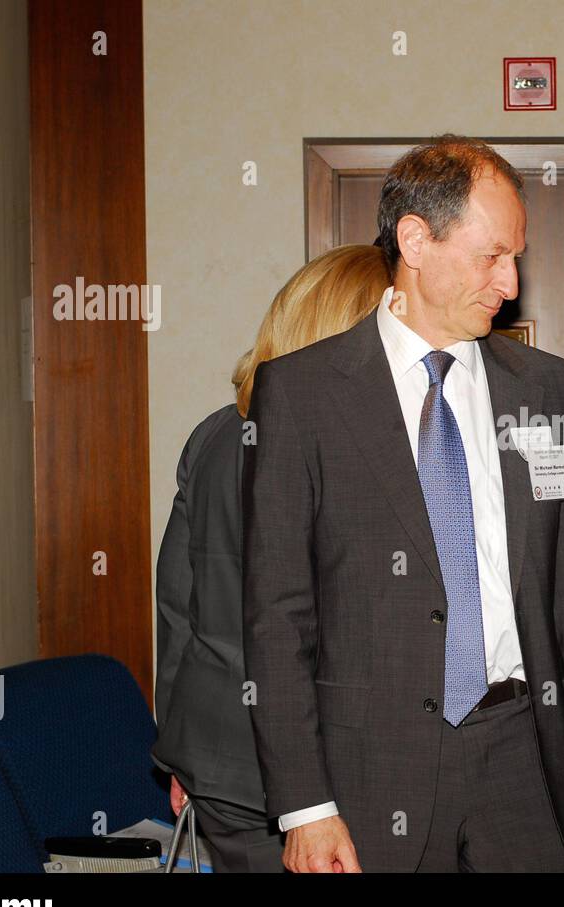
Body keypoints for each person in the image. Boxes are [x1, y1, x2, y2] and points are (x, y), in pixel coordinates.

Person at [242, 135, 564, 873]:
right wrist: (305, 805)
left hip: (528, 762)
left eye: (516, 256)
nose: (511, 283)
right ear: (415, 240)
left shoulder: (547, 389)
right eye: (491, 256)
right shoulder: (302, 393)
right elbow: (276, 613)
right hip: (368, 771)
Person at [152, 243, 390, 872]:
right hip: (323, 769)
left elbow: (178, 607)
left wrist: (179, 751)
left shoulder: (213, 434)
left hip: (220, 762)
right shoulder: (352, 448)